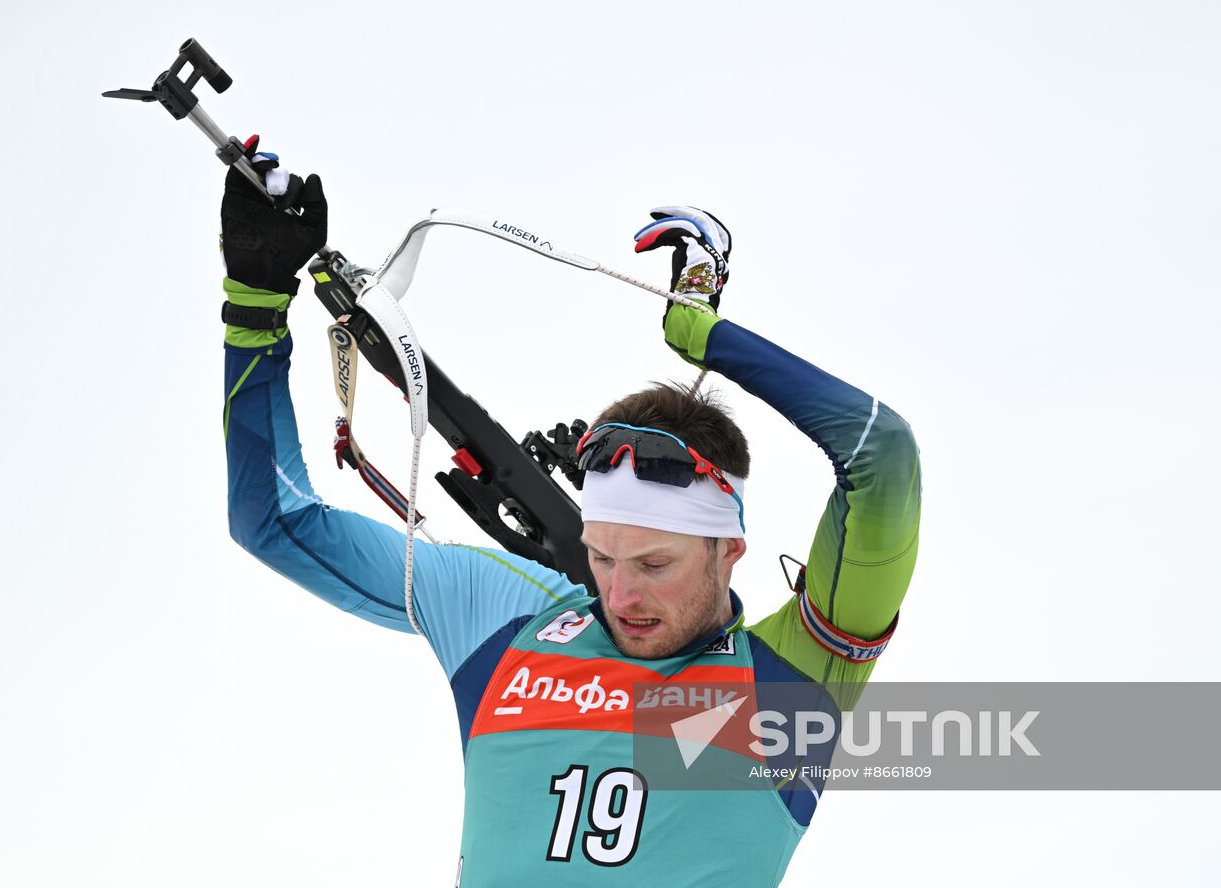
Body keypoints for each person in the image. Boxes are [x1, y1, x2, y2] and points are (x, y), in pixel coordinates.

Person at [218, 142, 921, 886]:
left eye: (654, 564)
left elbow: (884, 455)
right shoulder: (507, 613)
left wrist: (701, 336)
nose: (619, 595)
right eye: (604, 556)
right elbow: (276, 520)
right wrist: (254, 307)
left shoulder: (789, 682)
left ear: (729, 551)